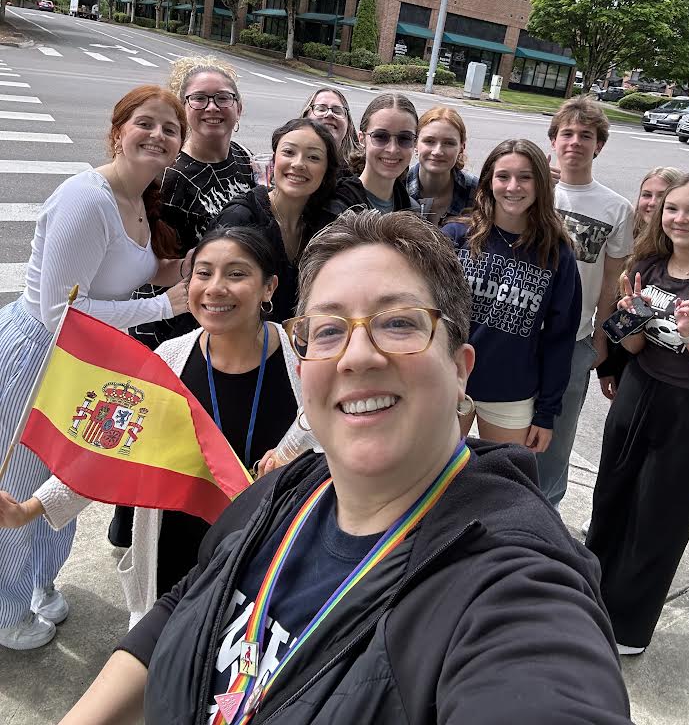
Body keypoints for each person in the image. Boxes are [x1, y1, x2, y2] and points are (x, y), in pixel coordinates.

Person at [59, 211, 633, 725]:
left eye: (399, 323)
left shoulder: (511, 584)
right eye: (329, 330)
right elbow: (185, 604)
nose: (358, 355)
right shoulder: (288, 490)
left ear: (461, 369)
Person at [0, 227, 302, 628]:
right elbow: (110, 447)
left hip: (267, 559)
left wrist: (296, 462)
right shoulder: (169, 359)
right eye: (203, 273)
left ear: (269, 287)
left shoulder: (306, 368)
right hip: (176, 558)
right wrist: (28, 510)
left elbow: (337, 457)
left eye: (236, 274)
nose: (215, 288)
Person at [0, 86, 191, 651]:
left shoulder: (138, 200)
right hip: (39, 357)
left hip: (85, 365)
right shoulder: (86, 198)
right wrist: (164, 306)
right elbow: (59, 311)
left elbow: (133, 267)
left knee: (66, 478)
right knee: (16, 485)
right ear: (117, 131)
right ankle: (7, 611)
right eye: (145, 123)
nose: (157, 135)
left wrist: (194, 270)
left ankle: (40, 582)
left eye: (169, 129)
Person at [586, 172, 689, 655]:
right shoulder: (647, 265)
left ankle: (627, 631)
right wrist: (632, 312)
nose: (680, 218)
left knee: (658, 521)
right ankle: (586, 602)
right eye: (672, 208)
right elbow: (633, 345)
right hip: (638, 395)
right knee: (610, 502)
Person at [443, 139, 580, 454]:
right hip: (450, 384)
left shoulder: (556, 253)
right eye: (503, 176)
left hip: (511, 391)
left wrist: (546, 414)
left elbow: (560, 338)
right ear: (489, 180)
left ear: (541, 185)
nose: (513, 186)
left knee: (501, 487)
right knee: (434, 480)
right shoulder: (456, 237)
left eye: (525, 177)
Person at [536, 97, 634, 508]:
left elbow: (612, 280)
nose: (575, 142)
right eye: (567, 134)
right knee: (503, 427)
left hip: (573, 340)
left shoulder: (616, 208)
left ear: (599, 146)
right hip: (519, 331)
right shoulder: (532, 190)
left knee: (557, 438)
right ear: (554, 141)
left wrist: (601, 337)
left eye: (586, 135)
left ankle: (546, 513)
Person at [131, 57, 256, 351]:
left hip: (227, 317)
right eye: (199, 99)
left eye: (223, 98)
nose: (212, 107)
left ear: (238, 108)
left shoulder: (243, 158)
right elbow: (148, 269)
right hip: (174, 328)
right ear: (183, 110)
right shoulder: (167, 179)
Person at [212, 118, 340, 321]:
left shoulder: (322, 226)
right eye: (289, 152)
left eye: (313, 157)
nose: (298, 164)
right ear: (274, 161)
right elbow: (214, 297)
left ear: (326, 172)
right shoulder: (240, 219)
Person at [595, 166, 682, 399]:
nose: (652, 202)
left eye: (663, 196)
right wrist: (606, 367)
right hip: (628, 364)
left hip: (669, 373)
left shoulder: (683, 250)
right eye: (646, 194)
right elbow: (614, 309)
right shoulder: (627, 242)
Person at [407, 106, 478, 224]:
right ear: (415, 144)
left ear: (461, 148)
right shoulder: (397, 188)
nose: (437, 152)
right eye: (429, 141)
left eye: (449, 143)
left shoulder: (477, 191)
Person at [352, 93, 420, 213]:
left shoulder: (413, 210)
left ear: (415, 142)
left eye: (404, 138)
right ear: (362, 139)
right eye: (380, 136)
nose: (392, 149)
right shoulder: (337, 207)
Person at [300, 86, 361, 167]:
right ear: (305, 118)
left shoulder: (362, 169)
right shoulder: (290, 160)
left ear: (348, 125)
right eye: (321, 109)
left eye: (337, 111)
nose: (330, 114)